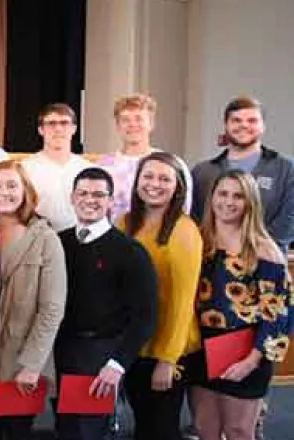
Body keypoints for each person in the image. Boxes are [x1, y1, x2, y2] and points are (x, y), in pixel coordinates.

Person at [54, 167, 157, 440]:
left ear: (111, 201)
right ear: (72, 198)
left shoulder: (130, 252)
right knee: (64, 428)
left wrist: (117, 363)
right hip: (60, 349)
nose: (90, 200)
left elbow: (145, 317)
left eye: (99, 194)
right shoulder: (57, 243)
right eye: (83, 193)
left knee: (87, 432)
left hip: (98, 354)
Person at [0, 160, 66, 440]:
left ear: (26, 191)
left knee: (16, 433)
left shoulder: (46, 239)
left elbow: (52, 309)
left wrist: (33, 364)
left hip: (20, 359)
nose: (4, 192)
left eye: (12, 185)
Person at [190, 170, 290, 440]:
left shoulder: (264, 250)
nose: (228, 202)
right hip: (200, 346)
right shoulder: (198, 241)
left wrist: (252, 360)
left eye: (238, 196)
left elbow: (277, 316)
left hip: (247, 348)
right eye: (222, 194)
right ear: (212, 199)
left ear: (251, 203)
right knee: (204, 428)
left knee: (238, 430)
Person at [117, 152, 203, 440]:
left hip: (166, 350)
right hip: (135, 345)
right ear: (137, 181)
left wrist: (168, 359)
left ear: (178, 187)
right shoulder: (125, 223)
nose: (155, 184)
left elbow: (183, 303)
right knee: (144, 425)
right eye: (148, 176)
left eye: (164, 178)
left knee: (161, 429)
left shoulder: (184, 231)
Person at [191, 96, 294, 252]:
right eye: (236, 120)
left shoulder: (286, 169)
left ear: (263, 126)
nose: (244, 125)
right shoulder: (202, 172)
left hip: (267, 262)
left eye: (252, 120)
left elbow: (289, 219)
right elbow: (195, 219)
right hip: (213, 262)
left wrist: (258, 249)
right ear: (226, 125)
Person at [97, 94, 193, 220]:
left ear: (151, 124)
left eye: (139, 119)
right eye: (125, 120)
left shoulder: (171, 164)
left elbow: (183, 208)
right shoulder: (103, 166)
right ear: (117, 125)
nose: (132, 124)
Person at [21, 103, 95, 232]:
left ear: (74, 129)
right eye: (51, 123)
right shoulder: (25, 168)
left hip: (81, 240)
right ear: (41, 129)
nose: (58, 129)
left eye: (64, 123)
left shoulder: (88, 169)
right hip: (40, 239)